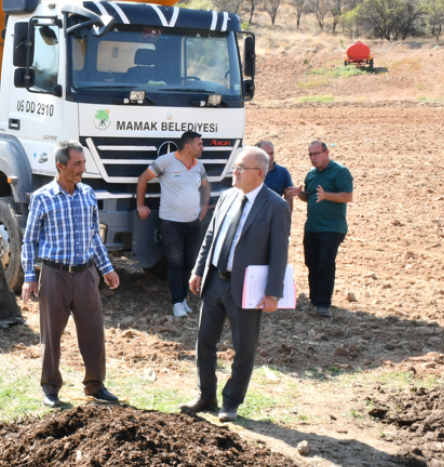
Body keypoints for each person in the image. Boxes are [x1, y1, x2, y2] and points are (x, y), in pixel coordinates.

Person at [181, 146, 291, 423]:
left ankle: (231, 402)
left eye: (242, 167)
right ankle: (206, 395)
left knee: (243, 348)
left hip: (247, 288)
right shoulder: (228, 196)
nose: (236, 171)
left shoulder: (276, 206)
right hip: (215, 281)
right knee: (205, 341)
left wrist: (273, 293)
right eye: (236, 166)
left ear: (260, 173)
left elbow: (279, 252)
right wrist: (197, 271)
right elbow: (211, 238)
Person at [22, 140, 121, 408]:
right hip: (55, 276)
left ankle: (96, 386)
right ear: (60, 166)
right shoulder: (42, 197)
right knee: (51, 334)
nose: (83, 169)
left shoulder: (88, 193)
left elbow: (93, 237)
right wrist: (30, 277)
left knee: (94, 331)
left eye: (83, 163)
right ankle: (50, 388)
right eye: (78, 164)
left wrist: (107, 269)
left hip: (86, 274)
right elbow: (29, 240)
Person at [135, 130, 210, 318]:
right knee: (175, 263)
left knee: (189, 262)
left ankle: (183, 299)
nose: (202, 147)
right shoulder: (166, 161)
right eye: (199, 144)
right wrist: (140, 204)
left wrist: (205, 205)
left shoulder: (198, 165)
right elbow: (143, 178)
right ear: (188, 146)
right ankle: (177, 302)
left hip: (193, 223)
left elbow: (206, 185)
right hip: (171, 223)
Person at [285, 141, 354, 318]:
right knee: (312, 263)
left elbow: (348, 196)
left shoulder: (340, 171)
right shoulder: (312, 173)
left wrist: (327, 195)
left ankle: (324, 304)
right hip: (312, 227)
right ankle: (314, 301)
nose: (313, 158)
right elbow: (310, 196)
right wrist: (299, 193)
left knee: (325, 264)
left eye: (316, 154)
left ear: (326, 153)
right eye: (310, 155)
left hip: (332, 227)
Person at [256, 140, 294, 212]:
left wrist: (286, 219)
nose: (270, 157)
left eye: (271, 153)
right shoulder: (249, 172)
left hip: (274, 218)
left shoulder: (283, 172)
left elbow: (289, 197)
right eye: (266, 154)